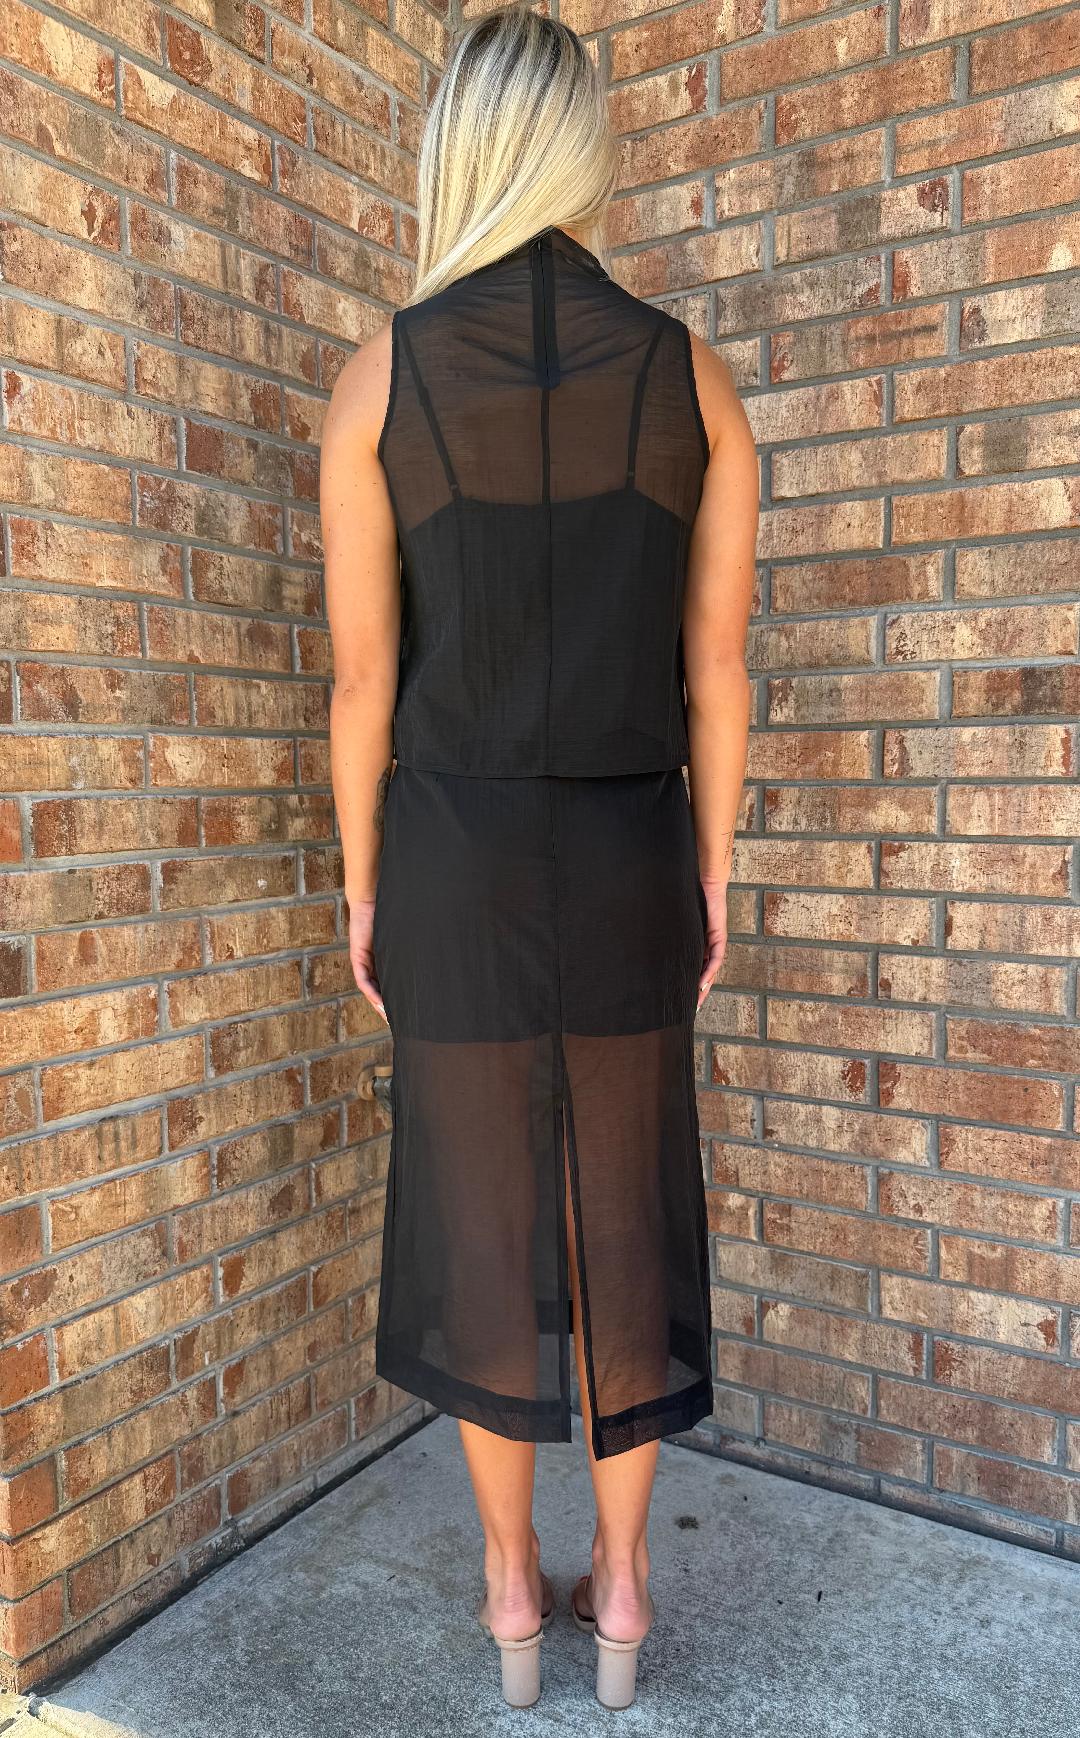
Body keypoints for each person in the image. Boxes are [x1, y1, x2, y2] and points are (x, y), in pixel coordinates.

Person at [319, 4, 758, 1712]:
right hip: (632, 842)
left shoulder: (384, 378)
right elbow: (716, 669)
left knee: (487, 1227)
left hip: (454, 852)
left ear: (463, 145)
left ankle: (514, 1590)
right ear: (581, 147)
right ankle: (624, 1589)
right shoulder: (689, 375)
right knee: (628, 1220)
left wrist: (362, 886)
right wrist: (711, 871)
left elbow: (366, 683)